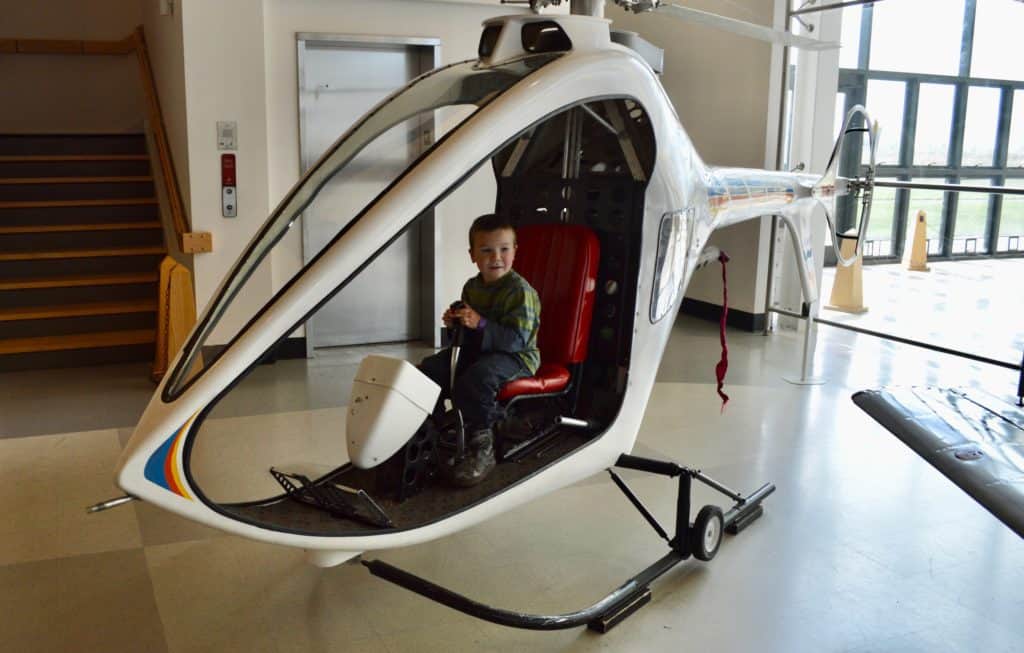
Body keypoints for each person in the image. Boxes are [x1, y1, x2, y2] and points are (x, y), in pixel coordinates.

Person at [419, 214, 541, 487]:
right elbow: (467, 333)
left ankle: (482, 445)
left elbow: (517, 340)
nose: (495, 257)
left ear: (515, 251)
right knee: (428, 370)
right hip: (482, 352)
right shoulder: (472, 287)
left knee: (477, 380)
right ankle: (437, 431)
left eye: (504, 249)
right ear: (473, 255)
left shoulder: (520, 291)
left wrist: (480, 323)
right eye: (486, 250)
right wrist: (456, 324)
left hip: (516, 357)